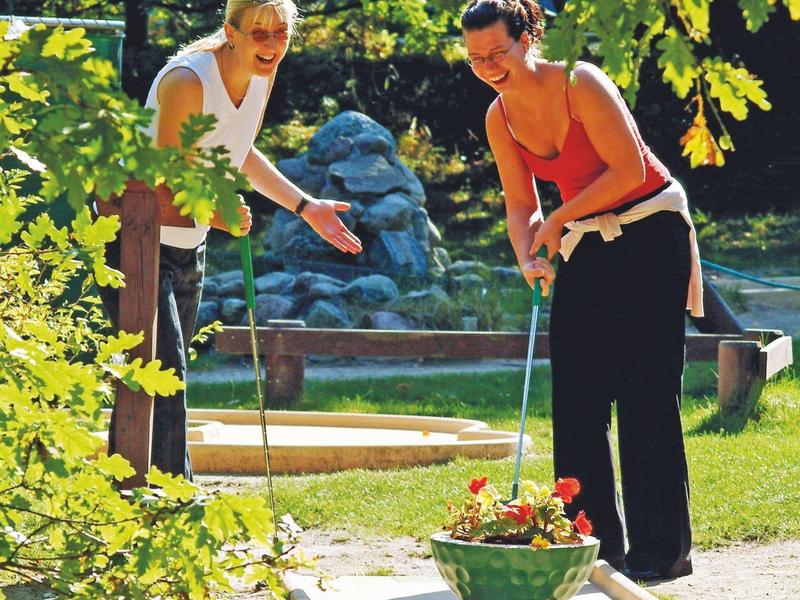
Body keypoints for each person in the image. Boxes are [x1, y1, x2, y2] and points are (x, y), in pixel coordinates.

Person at [461, 0, 703, 581]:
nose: (489, 67)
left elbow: (627, 171)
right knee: (576, 400)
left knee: (645, 395)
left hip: (651, 229)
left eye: (497, 53)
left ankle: (660, 555)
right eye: (475, 59)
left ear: (527, 39)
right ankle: (590, 550)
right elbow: (520, 203)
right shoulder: (499, 117)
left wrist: (558, 219)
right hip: (586, 238)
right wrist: (528, 254)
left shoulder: (580, 81)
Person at [98, 0, 362, 482]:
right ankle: (173, 502)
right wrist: (215, 214)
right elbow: (162, 181)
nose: (271, 43)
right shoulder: (187, 81)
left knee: (157, 379)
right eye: (259, 32)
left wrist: (305, 207)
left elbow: (238, 149)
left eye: (281, 32)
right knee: (161, 379)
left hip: (187, 243)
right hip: (133, 238)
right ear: (231, 31)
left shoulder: (261, 74)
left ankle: (134, 498)